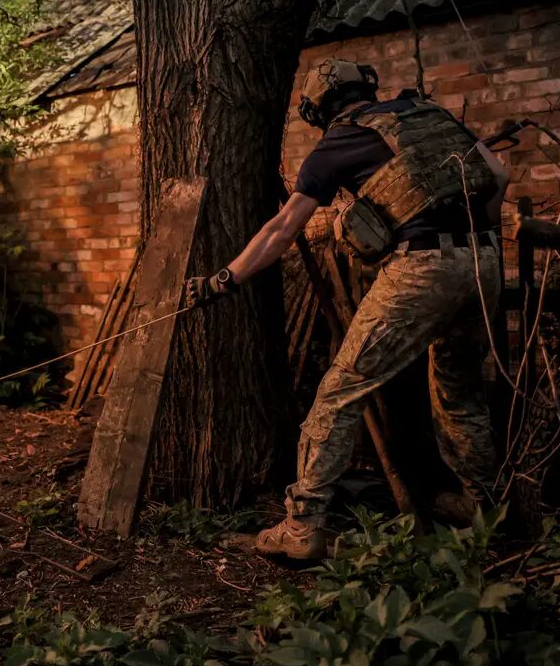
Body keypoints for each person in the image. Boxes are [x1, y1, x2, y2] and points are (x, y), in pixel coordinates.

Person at [184, 59, 511, 560]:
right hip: (486, 260)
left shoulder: (335, 145)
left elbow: (281, 229)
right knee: (460, 389)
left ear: (320, 109)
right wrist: (474, 239)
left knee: (340, 391)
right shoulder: (430, 115)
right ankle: (486, 510)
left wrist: (226, 277)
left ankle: (302, 523)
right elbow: (498, 174)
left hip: (423, 268)